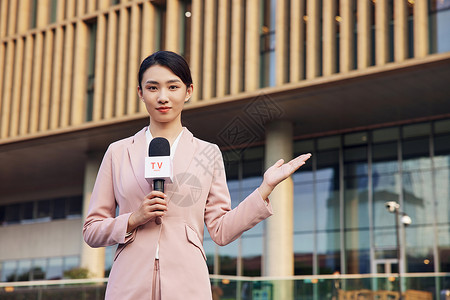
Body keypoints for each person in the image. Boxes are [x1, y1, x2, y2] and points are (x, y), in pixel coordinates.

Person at [83, 51, 311, 300]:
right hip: (128, 284)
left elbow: (221, 230)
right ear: (140, 93)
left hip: (188, 284)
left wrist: (265, 188)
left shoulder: (208, 153)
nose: (163, 97)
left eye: (173, 87)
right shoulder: (118, 152)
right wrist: (132, 219)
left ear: (188, 91)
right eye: (152, 87)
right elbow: (92, 230)